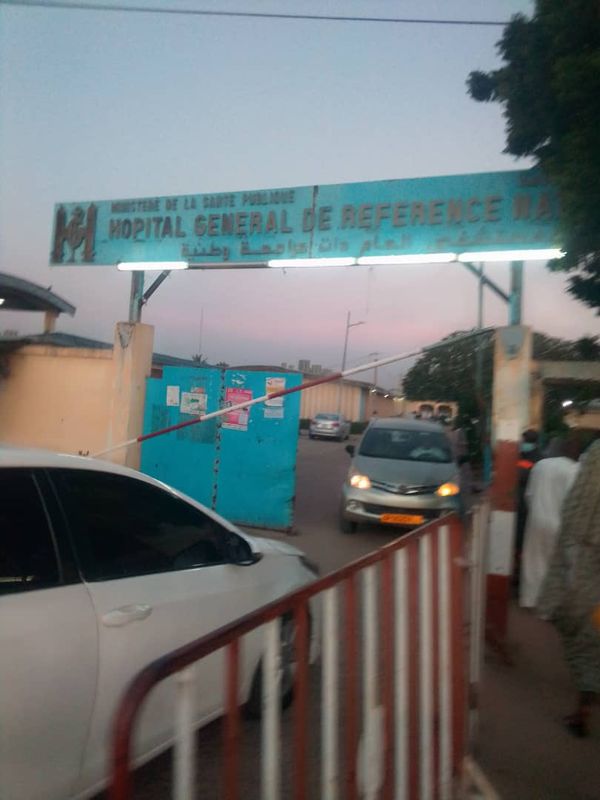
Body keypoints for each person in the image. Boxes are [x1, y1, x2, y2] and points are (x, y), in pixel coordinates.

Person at [537, 440, 600, 737]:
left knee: (582, 628)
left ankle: (585, 704)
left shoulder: (597, 455)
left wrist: (570, 556)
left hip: (589, 557)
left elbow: (579, 510)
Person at [519, 433, 585, 609]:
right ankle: (547, 607)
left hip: (536, 520)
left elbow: (529, 494)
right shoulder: (576, 470)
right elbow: (574, 503)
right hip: (559, 524)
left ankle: (529, 600)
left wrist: (536, 511)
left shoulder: (541, 465)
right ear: (577, 453)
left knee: (532, 561)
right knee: (554, 566)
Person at [513, 429, 542, 589]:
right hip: (522, 503)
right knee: (519, 542)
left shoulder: (534, 459)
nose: (522, 444)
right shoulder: (527, 456)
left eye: (524, 441)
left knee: (521, 542)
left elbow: (520, 476)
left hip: (525, 506)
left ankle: (519, 577)